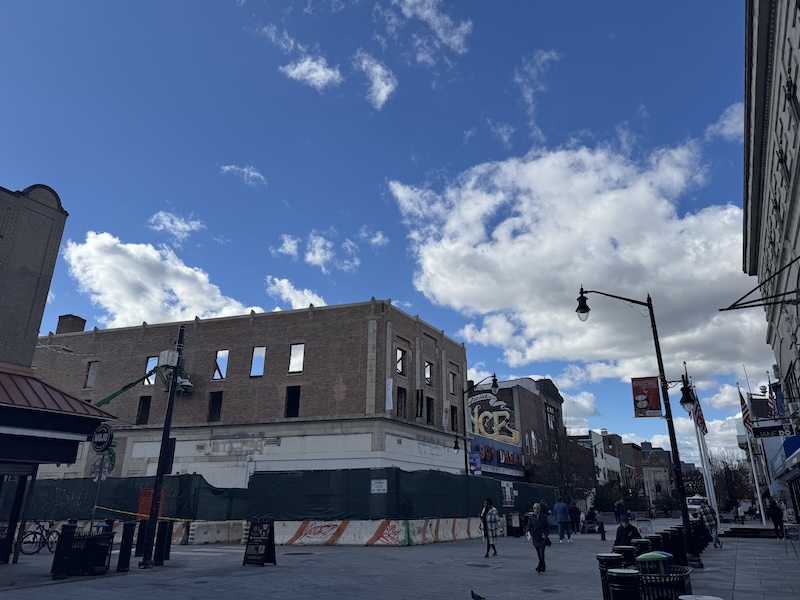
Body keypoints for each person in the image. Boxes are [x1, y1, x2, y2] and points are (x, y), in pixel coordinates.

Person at [528, 502, 550, 573]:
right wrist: (527, 531)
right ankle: (543, 565)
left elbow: (547, 527)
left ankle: (539, 566)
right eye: (534, 508)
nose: (536, 509)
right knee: (538, 553)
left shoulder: (543, 517)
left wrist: (546, 535)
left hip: (542, 537)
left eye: (537, 508)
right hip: (535, 538)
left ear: (540, 509)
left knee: (542, 553)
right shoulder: (531, 517)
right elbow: (529, 526)